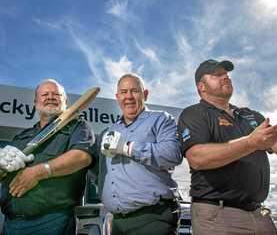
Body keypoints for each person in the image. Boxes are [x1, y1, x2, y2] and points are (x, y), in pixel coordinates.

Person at [177, 59, 277, 235]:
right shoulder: (194, 114)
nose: (225, 77)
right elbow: (197, 158)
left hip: (259, 213)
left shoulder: (251, 115)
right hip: (217, 215)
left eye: (226, 74)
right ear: (201, 86)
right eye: (217, 74)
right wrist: (250, 142)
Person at [0, 79, 95, 235]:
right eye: (45, 94)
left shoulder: (78, 127)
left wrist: (39, 172)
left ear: (65, 101)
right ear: (36, 102)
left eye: (56, 94)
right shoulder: (22, 136)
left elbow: (81, 156)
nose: (50, 97)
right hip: (10, 222)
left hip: (51, 222)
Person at [95, 74, 183, 235]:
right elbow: (98, 171)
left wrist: (128, 147)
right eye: (123, 92)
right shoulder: (108, 132)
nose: (128, 96)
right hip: (117, 222)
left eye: (134, 91)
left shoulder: (161, 120)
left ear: (145, 94)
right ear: (117, 97)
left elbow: (173, 154)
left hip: (153, 217)